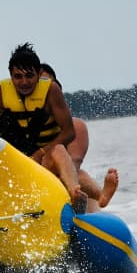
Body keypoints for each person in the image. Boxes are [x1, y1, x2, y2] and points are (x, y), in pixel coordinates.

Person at [0, 42, 88, 213]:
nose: (24, 82)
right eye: (18, 76)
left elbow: (69, 132)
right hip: (17, 163)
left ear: (38, 75)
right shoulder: (1, 94)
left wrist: (41, 152)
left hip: (46, 161)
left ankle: (75, 194)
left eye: (29, 76)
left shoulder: (51, 90)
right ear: (10, 76)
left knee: (58, 149)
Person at [39, 63, 118, 212]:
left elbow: (74, 164)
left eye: (48, 85)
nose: (44, 91)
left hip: (70, 185)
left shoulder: (75, 125)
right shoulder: (21, 124)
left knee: (78, 175)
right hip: (36, 183)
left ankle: (101, 197)